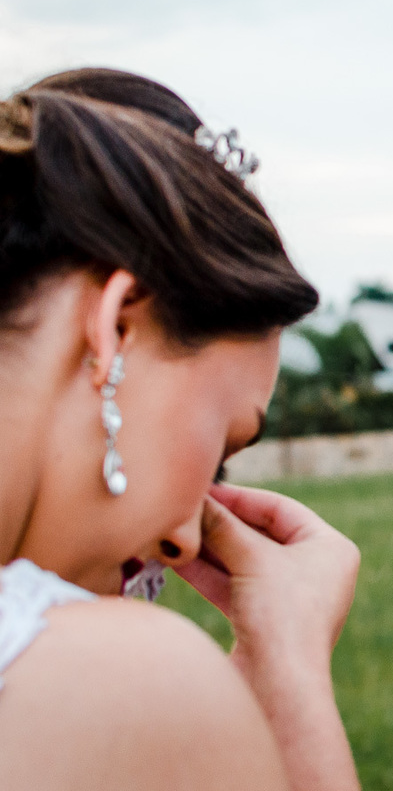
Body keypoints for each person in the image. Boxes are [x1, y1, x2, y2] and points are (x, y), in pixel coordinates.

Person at [0, 68, 361, 791]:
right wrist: (287, 676)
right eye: (223, 444)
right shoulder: (120, 685)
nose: (186, 541)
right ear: (117, 329)